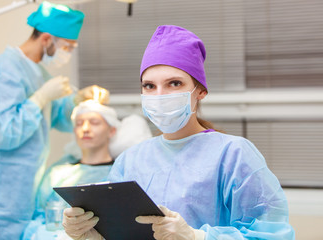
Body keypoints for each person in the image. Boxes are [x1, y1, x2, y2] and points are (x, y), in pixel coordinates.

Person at [61, 25, 295, 240]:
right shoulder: (130, 160)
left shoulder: (233, 154)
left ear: (200, 91)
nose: (160, 95)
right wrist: (92, 233)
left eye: (174, 83)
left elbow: (272, 235)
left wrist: (197, 237)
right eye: (149, 86)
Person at [0, 2, 87, 239]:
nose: (68, 53)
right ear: (46, 39)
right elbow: (1, 133)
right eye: (67, 47)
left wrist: (78, 101)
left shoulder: (37, 72)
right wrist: (40, 97)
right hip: (1, 195)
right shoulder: (5, 71)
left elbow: (56, 119)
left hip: (23, 190)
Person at [23, 94, 153, 240]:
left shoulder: (123, 173)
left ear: (112, 131)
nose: (85, 128)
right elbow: (39, 217)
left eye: (94, 122)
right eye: (79, 123)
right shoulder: (57, 173)